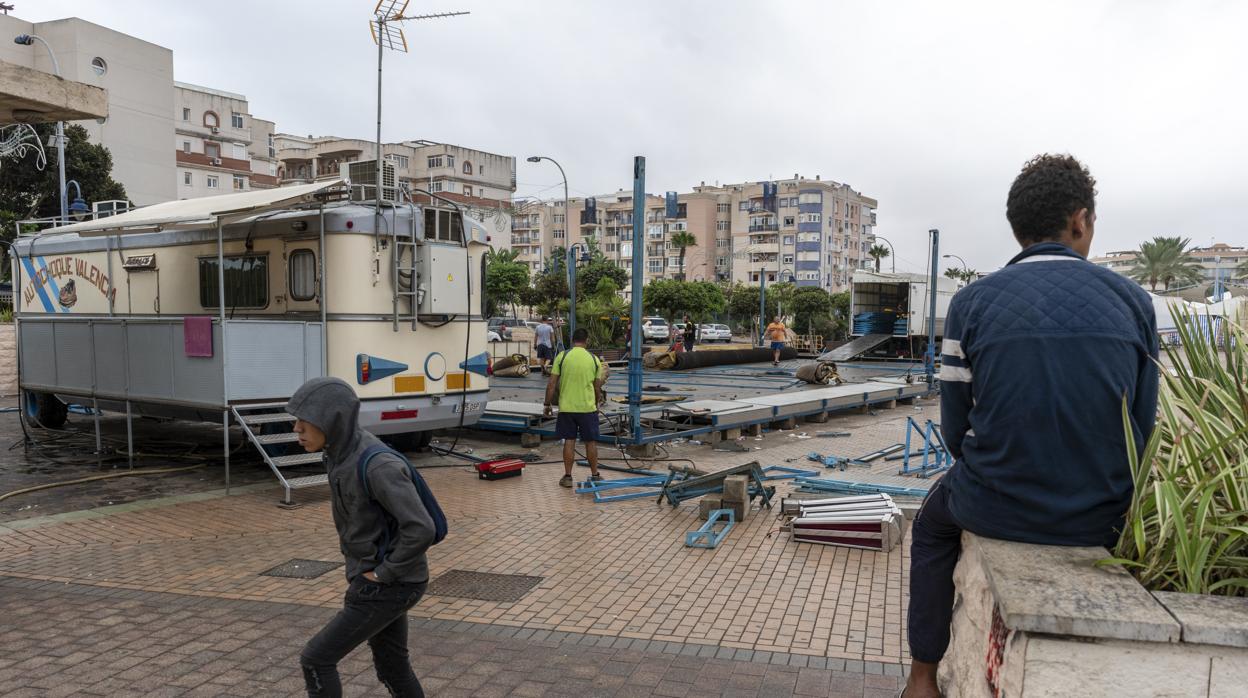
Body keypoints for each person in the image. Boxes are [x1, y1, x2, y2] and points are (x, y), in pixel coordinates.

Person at [901, 155, 1158, 698]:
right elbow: (1143, 428)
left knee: (930, 527)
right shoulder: (1134, 303)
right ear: (1081, 221)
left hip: (993, 504)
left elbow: (955, 429)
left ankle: (922, 678)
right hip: (1102, 517)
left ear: (1017, 229)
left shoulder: (970, 305)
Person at [289, 377, 436, 698]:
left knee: (316, 659)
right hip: (378, 581)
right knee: (393, 667)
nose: (297, 429)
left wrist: (383, 573)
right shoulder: (339, 453)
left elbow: (421, 527)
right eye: (296, 420)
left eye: (305, 421)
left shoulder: (377, 464)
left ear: (332, 420)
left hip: (389, 585)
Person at [543, 327, 607, 488]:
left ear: (572, 340)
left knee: (569, 441)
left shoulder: (562, 357)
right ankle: (595, 475)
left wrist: (547, 404)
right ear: (587, 341)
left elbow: (551, 384)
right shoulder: (594, 360)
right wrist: (597, 403)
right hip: (587, 408)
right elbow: (597, 387)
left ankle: (567, 477)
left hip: (567, 408)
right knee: (590, 442)